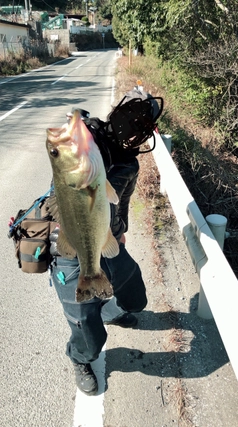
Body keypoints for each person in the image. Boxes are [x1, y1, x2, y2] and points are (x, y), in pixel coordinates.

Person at [49, 91, 162, 396]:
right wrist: (77, 131)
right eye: (132, 116)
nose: (135, 127)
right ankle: (79, 357)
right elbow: (65, 159)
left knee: (135, 297)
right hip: (73, 245)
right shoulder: (87, 141)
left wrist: (120, 233)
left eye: (144, 123)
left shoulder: (130, 164)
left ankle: (108, 307)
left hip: (107, 237)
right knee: (88, 330)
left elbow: (121, 202)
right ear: (118, 112)